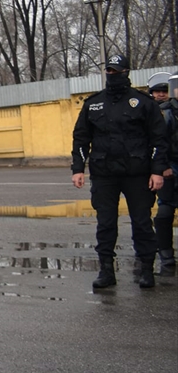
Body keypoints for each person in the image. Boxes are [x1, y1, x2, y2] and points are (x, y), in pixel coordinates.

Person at [71, 56, 168, 289]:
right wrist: (78, 169)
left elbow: (159, 139)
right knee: (105, 223)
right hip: (104, 174)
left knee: (142, 222)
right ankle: (106, 270)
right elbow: (81, 138)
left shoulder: (143, 102)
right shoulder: (93, 103)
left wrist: (157, 172)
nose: (112, 75)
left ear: (127, 72)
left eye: (117, 71)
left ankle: (146, 268)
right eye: (109, 71)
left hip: (137, 173)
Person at [147, 72, 177, 275]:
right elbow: (157, 142)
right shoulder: (163, 114)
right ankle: (166, 255)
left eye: (164, 90)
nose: (161, 95)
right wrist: (161, 166)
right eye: (157, 91)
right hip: (169, 168)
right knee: (164, 211)